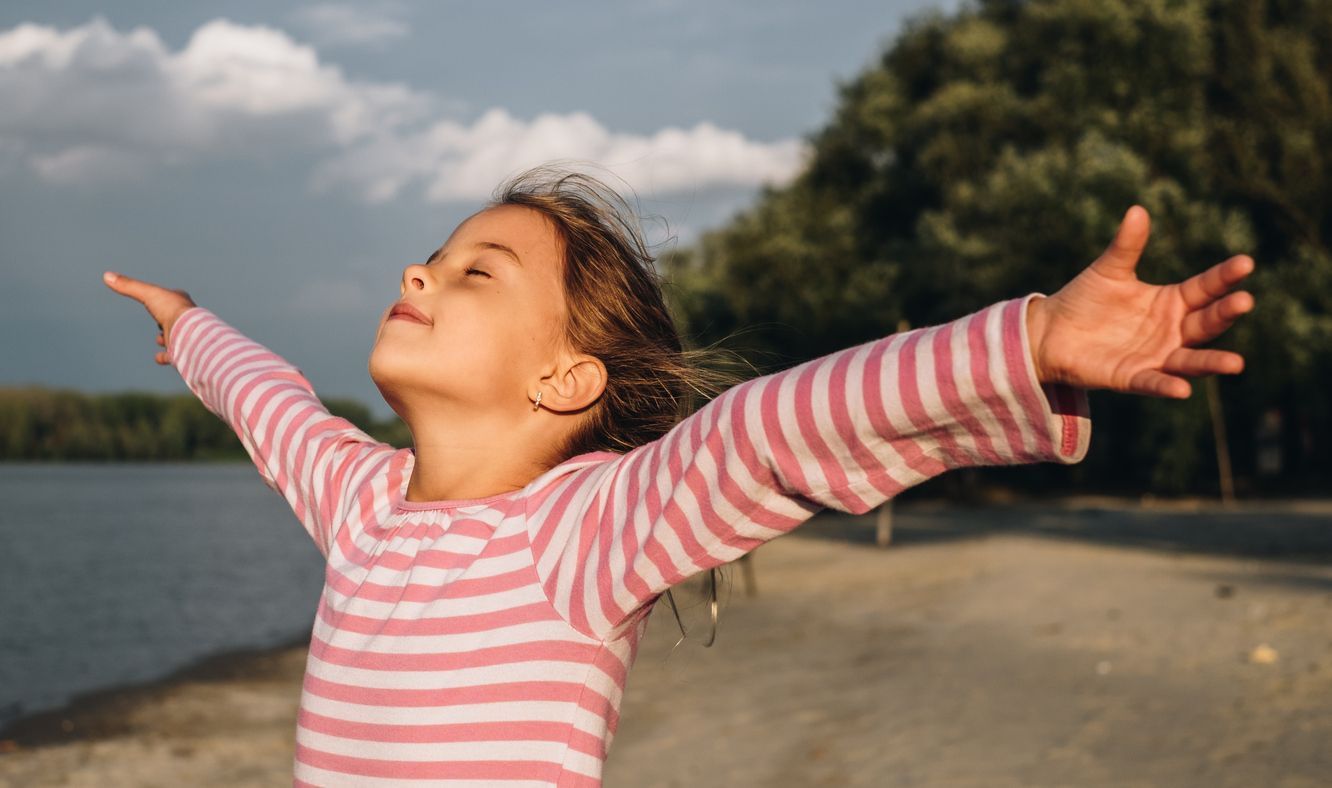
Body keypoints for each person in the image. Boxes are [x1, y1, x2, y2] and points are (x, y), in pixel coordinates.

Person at [103, 164, 1254, 786]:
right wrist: (191, 325)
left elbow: (770, 430)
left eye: (476, 270)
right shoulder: (361, 504)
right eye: (435, 254)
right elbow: (270, 404)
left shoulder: (587, 529)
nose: (422, 268)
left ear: (566, 378)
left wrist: (1031, 339)